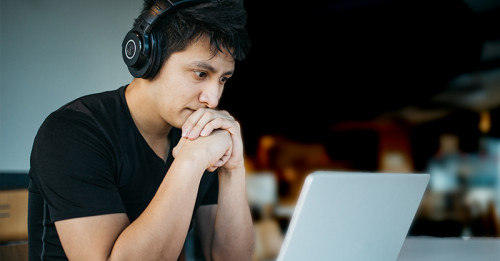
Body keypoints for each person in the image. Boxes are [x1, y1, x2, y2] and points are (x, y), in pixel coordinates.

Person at [27, 0, 254, 260]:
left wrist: (232, 170)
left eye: (223, 79)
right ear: (148, 57)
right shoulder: (72, 132)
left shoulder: (198, 133)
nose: (213, 99)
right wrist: (190, 162)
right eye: (201, 74)